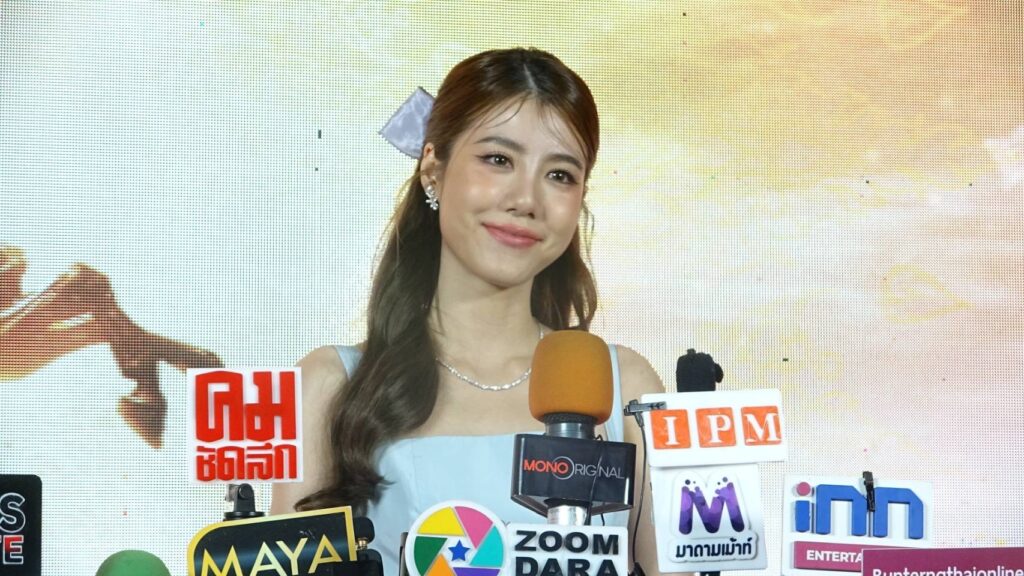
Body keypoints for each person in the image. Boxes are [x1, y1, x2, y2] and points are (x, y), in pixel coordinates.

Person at [271, 47, 668, 575]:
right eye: (498, 160)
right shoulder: (329, 385)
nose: (526, 199)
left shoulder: (627, 389)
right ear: (432, 169)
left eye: (560, 175)